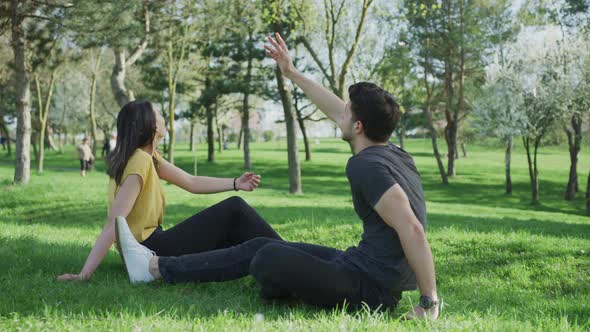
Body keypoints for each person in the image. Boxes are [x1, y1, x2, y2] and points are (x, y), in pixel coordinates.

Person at [114, 33, 439, 319]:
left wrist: (429, 302)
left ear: (357, 126)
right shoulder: (393, 152)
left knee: (267, 255)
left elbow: (411, 227)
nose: (341, 111)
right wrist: (291, 72)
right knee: (263, 246)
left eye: (347, 111)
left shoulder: (366, 165)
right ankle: (285, 280)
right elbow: (338, 108)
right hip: (356, 266)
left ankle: (157, 268)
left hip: (371, 290)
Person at [57, 100, 281, 282]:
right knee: (235, 209)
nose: (164, 117)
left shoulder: (148, 158)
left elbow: (191, 182)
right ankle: (290, 256)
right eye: (158, 113)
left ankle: (280, 265)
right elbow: (114, 222)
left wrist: (235, 183)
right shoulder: (139, 162)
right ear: (151, 125)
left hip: (153, 243)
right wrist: (84, 274)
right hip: (149, 249)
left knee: (233, 227)